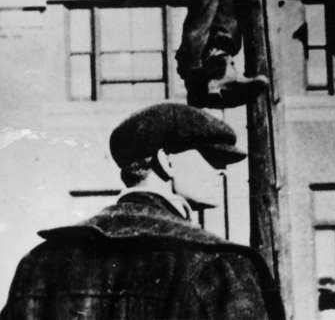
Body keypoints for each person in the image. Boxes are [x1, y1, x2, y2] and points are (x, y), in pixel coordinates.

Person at [1, 103, 285, 320]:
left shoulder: (42, 261)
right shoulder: (220, 265)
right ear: (167, 162)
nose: (222, 171)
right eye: (212, 158)